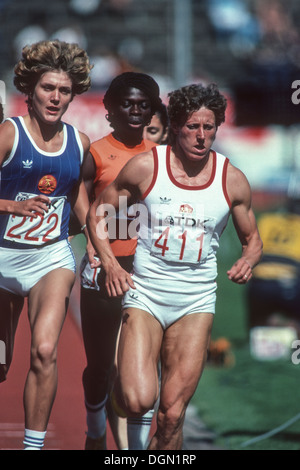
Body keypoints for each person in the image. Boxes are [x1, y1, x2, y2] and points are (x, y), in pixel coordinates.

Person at [86, 82, 263, 450]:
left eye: (209, 127)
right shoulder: (147, 168)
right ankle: (115, 405)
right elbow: (97, 214)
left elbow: (253, 240)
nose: (201, 136)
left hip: (195, 303)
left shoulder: (231, 179)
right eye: (193, 127)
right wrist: (110, 263)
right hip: (146, 295)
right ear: (176, 125)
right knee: (138, 400)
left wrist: (247, 260)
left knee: (171, 415)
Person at [0, 40, 92, 450]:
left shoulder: (79, 142)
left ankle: (32, 448)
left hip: (50, 258)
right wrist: (8, 206)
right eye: (47, 88)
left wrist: (104, 254)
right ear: (30, 91)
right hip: (2, 260)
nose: (56, 98)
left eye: (64, 90)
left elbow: (84, 208)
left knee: (44, 350)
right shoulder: (8, 134)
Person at [79, 72, 162, 450]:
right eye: (126, 103)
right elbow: (81, 198)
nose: (134, 110)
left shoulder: (159, 157)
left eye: (142, 104)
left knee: (134, 368)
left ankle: (134, 448)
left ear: (151, 111)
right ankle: (95, 429)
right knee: (99, 367)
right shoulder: (96, 152)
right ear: (110, 109)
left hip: (143, 271)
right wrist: (92, 240)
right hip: (103, 266)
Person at [247, 174, 300, 335]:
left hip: (259, 283)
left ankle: (262, 333)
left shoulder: (267, 220)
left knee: (259, 323)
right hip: (290, 284)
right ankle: (293, 333)